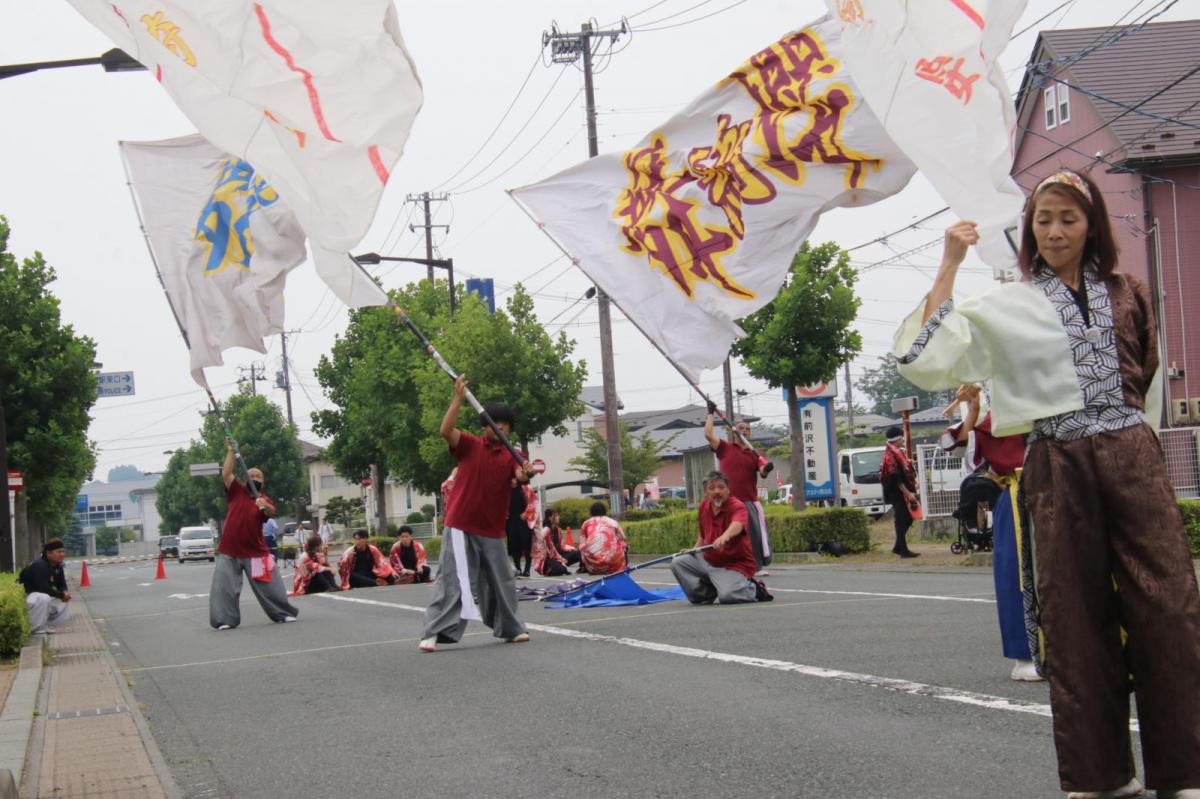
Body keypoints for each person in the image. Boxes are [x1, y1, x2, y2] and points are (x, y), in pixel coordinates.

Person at [895, 170, 1200, 798]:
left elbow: (1140, 369)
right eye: (1043, 220)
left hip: (1131, 454)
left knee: (1169, 607)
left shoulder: (1131, 292)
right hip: (1056, 460)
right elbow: (928, 359)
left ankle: (1184, 771)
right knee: (1074, 614)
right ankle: (1101, 776)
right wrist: (950, 262)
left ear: (1092, 226)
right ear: (1028, 231)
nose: (1056, 230)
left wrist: (1127, 437)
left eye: (1069, 217)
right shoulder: (1006, 302)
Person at [419, 374, 530, 652]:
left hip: (492, 529)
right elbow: (446, 430)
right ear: (485, 427)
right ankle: (433, 632)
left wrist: (524, 474)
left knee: (502, 580)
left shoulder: (513, 455)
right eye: (496, 423)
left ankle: (511, 628)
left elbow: (519, 477)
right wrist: (457, 398)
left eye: (506, 424)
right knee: (452, 579)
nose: (501, 426)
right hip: (460, 525)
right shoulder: (469, 445)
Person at [942, 385, 1042, 683]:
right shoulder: (992, 418)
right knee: (1017, 574)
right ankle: (1025, 654)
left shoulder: (1053, 405)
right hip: (1015, 497)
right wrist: (972, 409)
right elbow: (955, 443)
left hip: (1058, 492)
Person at [209, 442, 299, 629]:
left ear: (263, 481)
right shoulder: (236, 491)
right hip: (229, 550)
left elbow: (271, 511)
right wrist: (231, 452)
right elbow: (226, 474)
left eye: (258, 476)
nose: (255, 478)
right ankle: (225, 620)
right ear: (245, 478)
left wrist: (263, 506)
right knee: (224, 588)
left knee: (269, 585)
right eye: (251, 475)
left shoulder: (263, 499)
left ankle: (283, 613)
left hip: (255, 552)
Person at [670, 470, 765, 605]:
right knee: (678, 562)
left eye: (721, 487)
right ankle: (705, 594)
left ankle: (755, 590)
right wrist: (694, 550)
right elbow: (703, 535)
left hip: (733, 565)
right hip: (709, 559)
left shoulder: (738, 506)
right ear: (706, 492)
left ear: (728, 490)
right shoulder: (703, 506)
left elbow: (737, 524)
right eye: (712, 488)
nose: (717, 492)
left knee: (728, 596)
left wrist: (725, 536)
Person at [704, 405, 772, 575]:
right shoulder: (725, 448)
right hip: (727, 502)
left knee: (753, 536)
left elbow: (763, 471)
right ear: (734, 431)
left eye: (748, 429)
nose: (745, 431)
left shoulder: (755, 454)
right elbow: (708, 434)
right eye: (741, 428)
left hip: (748, 501)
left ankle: (755, 566)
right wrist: (710, 414)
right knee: (724, 534)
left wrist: (767, 468)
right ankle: (722, 564)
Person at [880, 427, 921, 559]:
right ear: (897, 439)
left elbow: (904, 469)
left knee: (908, 518)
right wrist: (908, 493)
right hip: (897, 491)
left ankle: (898, 547)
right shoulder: (890, 455)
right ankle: (902, 550)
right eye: (901, 438)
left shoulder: (897, 452)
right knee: (901, 519)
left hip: (904, 489)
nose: (903, 440)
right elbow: (895, 478)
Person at [19, 538, 71, 634]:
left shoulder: (57, 566)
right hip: (27, 596)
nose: (62, 554)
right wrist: (61, 595)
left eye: (63, 552)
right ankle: (34, 628)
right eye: (59, 552)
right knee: (43, 597)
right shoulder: (40, 565)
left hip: (38, 597)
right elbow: (42, 587)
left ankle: (45, 624)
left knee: (65, 600)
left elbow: (62, 584)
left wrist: (65, 592)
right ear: (49, 553)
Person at [578, 502, 627, 575]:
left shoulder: (586, 523)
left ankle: (585, 567)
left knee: (582, 547)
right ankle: (620, 565)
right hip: (613, 564)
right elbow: (623, 537)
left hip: (593, 565)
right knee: (623, 544)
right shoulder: (612, 522)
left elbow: (582, 541)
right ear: (604, 511)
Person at [506, 480, 536, 578]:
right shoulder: (505, 489)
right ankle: (517, 568)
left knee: (526, 544)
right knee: (514, 545)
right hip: (511, 520)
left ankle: (527, 569)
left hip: (524, 520)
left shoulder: (526, 488)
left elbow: (533, 503)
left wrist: (526, 513)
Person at [533, 508, 570, 577]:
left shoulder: (557, 529)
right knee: (561, 569)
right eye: (556, 516)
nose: (558, 517)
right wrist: (560, 558)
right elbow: (547, 547)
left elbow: (559, 546)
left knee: (574, 554)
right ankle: (548, 569)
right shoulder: (546, 530)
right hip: (545, 558)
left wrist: (561, 557)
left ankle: (556, 566)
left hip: (553, 555)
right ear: (550, 518)